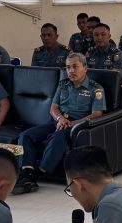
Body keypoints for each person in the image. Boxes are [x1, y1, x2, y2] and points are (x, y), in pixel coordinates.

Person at [13, 53, 106, 193]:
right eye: (68, 67)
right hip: (59, 122)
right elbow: (53, 107)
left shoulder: (95, 89)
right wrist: (60, 119)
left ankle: (36, 175)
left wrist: (73, 123)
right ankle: (27, 173)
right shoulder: (63, 84)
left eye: (75, 66)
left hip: (77, 126)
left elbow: (97, 114)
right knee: (26, 135)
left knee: (57, 138)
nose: (71, 70)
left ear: (85, 68)